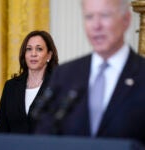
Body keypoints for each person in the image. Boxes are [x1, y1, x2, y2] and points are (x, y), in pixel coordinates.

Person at [35, 0, 145, 145]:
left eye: (105, 15)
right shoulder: (64, 75)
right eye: (89, 17)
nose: (96, 25)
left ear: (126, 20)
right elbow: (44, 137)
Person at [0, 30, 59, 134]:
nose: (33, 54)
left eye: (39, 49)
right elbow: (1, 129)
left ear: (49, 55)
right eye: (29, 49)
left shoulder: (57, 86)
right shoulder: (10, 87)